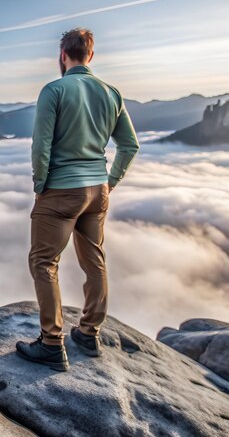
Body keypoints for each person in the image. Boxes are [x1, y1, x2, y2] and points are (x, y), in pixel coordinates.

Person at [15, 28, 140, 372]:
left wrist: (41, 184)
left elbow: (40, 146)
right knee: (94, 259)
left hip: (60, 190)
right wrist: (111, 181)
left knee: (43, 262)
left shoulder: (54, 90)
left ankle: (52, 344)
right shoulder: (111, 93)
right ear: (91, 56)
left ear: (62, 56)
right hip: (97, 189)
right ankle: (89, 332)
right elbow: (129, 145)